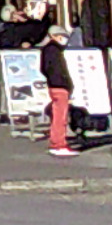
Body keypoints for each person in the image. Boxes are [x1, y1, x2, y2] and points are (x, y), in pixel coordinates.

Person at [42, 27, 76, 157]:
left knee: (57, 115)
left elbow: (44, 69)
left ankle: (56, 142)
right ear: (55, 36)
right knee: (60, 117)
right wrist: (67, 83)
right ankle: (59, 144)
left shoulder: (46, 50)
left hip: (52, 85)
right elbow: (59, 70)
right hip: (60, 85)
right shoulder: (55, 51)